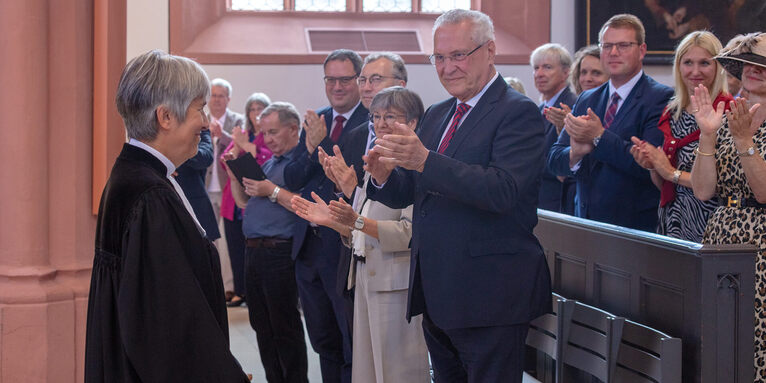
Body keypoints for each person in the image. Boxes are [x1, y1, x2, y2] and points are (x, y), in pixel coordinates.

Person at [365, 9, 552, 382]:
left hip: (489, 294)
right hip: (439, 291)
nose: (447, 67)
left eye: (459, 55)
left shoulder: (519, 113)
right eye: (439, 57)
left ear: (490, 51)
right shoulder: (438, 113)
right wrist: (385, 176)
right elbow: (418, 187)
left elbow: (503, 191)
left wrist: (422, 159)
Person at [84, 49, 248, 382]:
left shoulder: (135, 176)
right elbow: (171, 324)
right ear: (166, 117)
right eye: (198, 109)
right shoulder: (150, 196)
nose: (205, 122)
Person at [293, 87, 430, 383]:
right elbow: (359, 227)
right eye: (376, 116)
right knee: (366, 371)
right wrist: (334, 220)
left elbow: (409, 233)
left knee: (396, 373)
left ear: (414, 123)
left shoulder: (418, 167)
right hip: (365, 280)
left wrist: (355, 222)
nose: (380, 124)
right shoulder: (375, 161)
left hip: (396, 286)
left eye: (390, 116)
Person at [284, 49, 369, 383]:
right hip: (309, 249)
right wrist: (309, 148)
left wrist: (327, 142)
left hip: (343, 246)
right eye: (330, 79)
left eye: (344, 79)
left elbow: (354, 177)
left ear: (359, 81)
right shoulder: (316, 120)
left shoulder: (370, 121)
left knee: (350, 341)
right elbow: (292, 177)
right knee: (322, 340)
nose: (337, 86)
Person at [548, 14, 674, 231]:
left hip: (633, 227)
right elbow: (553, 159)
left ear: (642, 50)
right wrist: (575, 153)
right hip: (585, 223)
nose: (613, 53)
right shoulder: (587, 98)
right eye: (607, 46)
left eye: (623, 45)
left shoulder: (660, 97)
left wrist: (599, 136)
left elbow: (650, 165)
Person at [690, 32, 766, 382]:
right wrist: (707, 134)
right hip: (721, 236)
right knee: (721, 340)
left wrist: (745, 142)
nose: (756, 70)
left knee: (755, 343)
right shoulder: (728, 111)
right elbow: (704, 190)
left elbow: (764, 193)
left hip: (761, 244)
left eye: (764, 65)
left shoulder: (741, 127)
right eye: (750, 63)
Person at [227, 102, 309, 383]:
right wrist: (233, 172)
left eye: (273, 132)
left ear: (293, 128)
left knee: (284, 325)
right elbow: (243, 202)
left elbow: (305, 207)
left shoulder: (300, 164)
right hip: (254, 250)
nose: (268, 139)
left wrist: (271, 190)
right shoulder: (270, 162)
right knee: (261, 325)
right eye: (265, 133)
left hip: (279, 251)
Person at [330, 52, 408, 337]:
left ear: (401, 84)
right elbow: (353, 200)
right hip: (355, 260)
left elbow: (403, 210)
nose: (365, 87)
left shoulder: (414, 138)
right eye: (362, 79)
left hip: (394, 268)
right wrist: (341, 186)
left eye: (375, 79)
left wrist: (353, 190)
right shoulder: (355, 134)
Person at [630, 31, 729, 242]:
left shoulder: (727, 110)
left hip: (712, 221)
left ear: (718, 66)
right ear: (678, 66)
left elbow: (721, 183)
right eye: (688, 63)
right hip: (673, 218)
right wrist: (652, 165)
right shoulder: (673, 110)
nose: (695, 71)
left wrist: (669, 172)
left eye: (704, 63)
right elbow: (666, 184)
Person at [221, 92, 273, 307]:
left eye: (260, 108)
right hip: (233, 200)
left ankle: (255, 292)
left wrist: (246, 147)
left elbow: (267, 161)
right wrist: (234, 150)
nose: (256, 113)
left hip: (258, 199)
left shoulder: (269, 135)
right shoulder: (243, 134)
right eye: (252, 109)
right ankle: (240, 291)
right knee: (234, 247)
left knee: (253, 249)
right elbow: (227, 157)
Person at [206, 77, 246, 302]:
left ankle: (229, 287)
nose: (217, 100)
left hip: (228, 189)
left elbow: (239, 147)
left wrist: (223, 136)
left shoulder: (237, 121)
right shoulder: (200, 119)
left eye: (221, 95)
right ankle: (211, 284)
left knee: (229, 241)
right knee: (208, 239)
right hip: (205, 187)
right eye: (213, 95)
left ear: (228, 99)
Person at [530, 43, 577, 212]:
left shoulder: (572, 106)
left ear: (566, 72)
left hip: (558, 203)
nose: (539, 74)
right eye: (536, 68)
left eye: (547, 67)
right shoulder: (538, 109)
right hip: (537, 200)